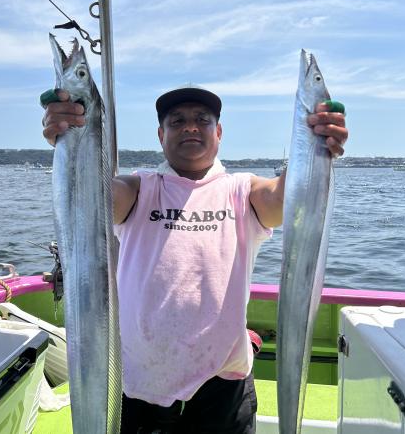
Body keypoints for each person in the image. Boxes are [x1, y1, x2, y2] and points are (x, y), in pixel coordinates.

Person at [42, 85, 348, 433]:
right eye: (177, 121)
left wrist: (317, 142)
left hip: (224, 385)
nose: (190, 126)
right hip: (139, 383)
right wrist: (71, 140)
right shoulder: (140, 188)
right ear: (161, 135)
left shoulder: (242, 190)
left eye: (202, 120)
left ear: (218, 133)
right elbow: (92, 196)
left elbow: (286, 198)